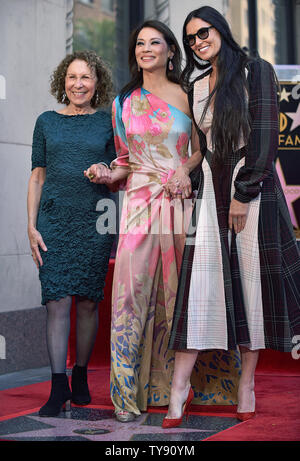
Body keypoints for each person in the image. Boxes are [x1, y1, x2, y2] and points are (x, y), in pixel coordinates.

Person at [162, 6, 300, 428]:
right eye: (189, 39)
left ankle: (247, 385)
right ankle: (178, 392)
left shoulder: (254, 70)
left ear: (220, 29)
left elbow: (264, 135)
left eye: (203, 32)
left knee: (250, 286)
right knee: (199, 287)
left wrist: (244, 193)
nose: (197, 42)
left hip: (248, 186)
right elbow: (203, 146)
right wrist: (185, 168)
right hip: (208, 186)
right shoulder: (196, 81)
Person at [85, 20, 206, 422]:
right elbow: (123, 162)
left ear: (172, 51)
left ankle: (176, 388)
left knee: (176, 295)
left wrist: (184, 169)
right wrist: (105, 173)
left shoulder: (191, 94)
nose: (146, 48)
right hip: (137, 204)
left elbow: (202, 151)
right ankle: (125, 394)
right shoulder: (123, 101)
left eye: (155, 42)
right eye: (140, 43)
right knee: (129, 296)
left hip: (178, 203)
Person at [27, 50, 116, 417]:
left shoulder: (108, 122)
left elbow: (119, 169)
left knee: (88, 302)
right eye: (72, 77)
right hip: (53, 221)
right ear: (63, 82)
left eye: (86, 78)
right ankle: (58, 384)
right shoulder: (46, 121)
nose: (78, 84)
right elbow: (37, 175)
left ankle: (80, 374)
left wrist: (105, 168)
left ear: (97, 84)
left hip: (96, 220)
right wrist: (30, 226)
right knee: (57, 301)